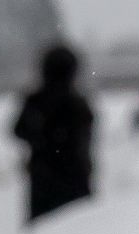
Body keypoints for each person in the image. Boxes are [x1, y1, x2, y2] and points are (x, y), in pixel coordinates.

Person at [12, 44, 96, 224]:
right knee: (79, 231)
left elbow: (18, 131)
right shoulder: (79, 103)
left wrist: (41, 139)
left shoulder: (35, 101)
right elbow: (86, 138)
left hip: (43, 179)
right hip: (76, 177)